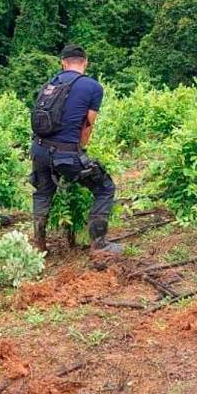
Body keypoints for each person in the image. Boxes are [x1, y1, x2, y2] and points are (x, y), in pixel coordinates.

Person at [29, 46, 119, 254]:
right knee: (104, 188)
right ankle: (99, 244)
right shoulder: (93, 87)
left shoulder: (50, 84)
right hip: (66, 153)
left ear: (63, 63)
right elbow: (87, 125)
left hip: (39, 149)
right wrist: (81, 152)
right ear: (85, 62)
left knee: (42, 193)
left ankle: (39, 246)